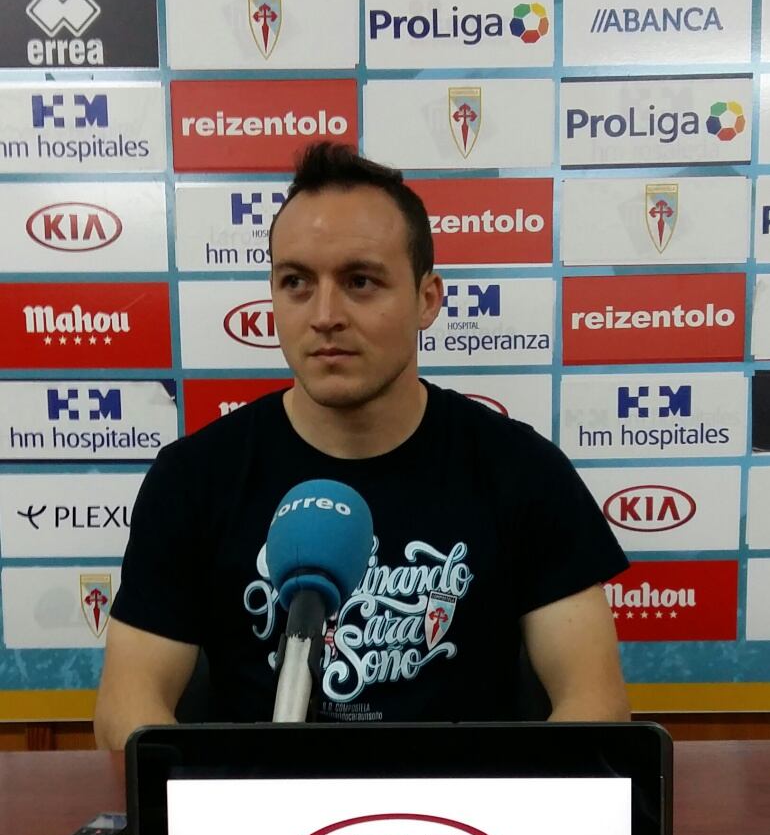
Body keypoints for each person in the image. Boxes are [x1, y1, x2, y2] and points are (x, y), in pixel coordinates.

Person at [94, 144, 630, 749]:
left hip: (469, 823)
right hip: (255, 821)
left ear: (428, 299)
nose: (325, 315)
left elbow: (594, 703)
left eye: (360, 282)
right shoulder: (193, 477)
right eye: (296, 282)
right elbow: (127, 711)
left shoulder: (522, 471)